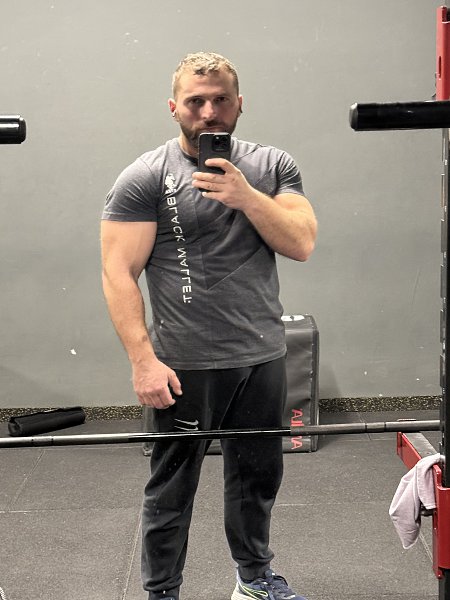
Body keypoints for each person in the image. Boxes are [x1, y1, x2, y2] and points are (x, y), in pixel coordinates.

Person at [100, 51, 317, 600]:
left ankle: (254, 579)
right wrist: (144, 361)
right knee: (172, 491)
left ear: (239, 104)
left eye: (220, 100)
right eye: (195, 101)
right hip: (185, 363)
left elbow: (301, 243)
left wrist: (247, 198)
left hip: (262, 355)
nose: (209, 112)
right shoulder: (146, 176)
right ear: (174, 107)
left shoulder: (272, 165)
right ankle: (162, 593)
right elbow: (118, 273)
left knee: (257, 479)